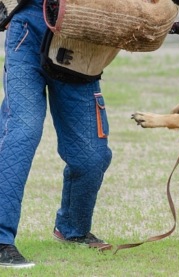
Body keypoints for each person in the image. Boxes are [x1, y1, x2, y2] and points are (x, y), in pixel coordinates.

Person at [0, 0, 112, 268]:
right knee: (22, 130)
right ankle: (2, 239)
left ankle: (73, 229)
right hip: (30, 27)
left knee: (91, 157)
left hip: (83, 37)